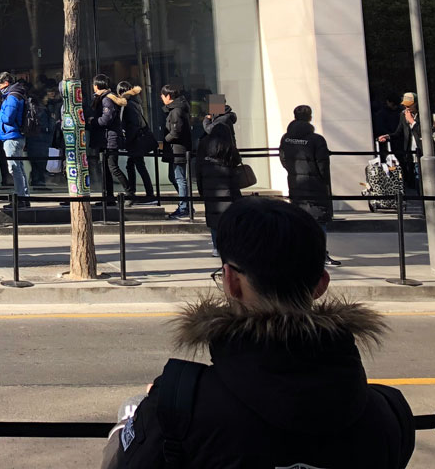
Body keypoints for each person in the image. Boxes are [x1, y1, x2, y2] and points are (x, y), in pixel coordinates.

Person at [99, 196, 415, 469]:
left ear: (231, 281)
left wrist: (129, 421)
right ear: (321, 284)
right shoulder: (389, 413)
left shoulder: (178, 405)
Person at [278, 105, 341, 267]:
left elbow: (283, 158)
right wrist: (323, 181)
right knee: (319, 220)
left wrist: (294, 171)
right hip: (315, 185)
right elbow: (323, 165)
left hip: (295, 182)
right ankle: (320, 254)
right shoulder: (316, 140)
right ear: (310, 117)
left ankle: (301, 253)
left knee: (300, 218)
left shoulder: (286, 138)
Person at [195, 118, 242, 253]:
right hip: (229, 187)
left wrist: (200, 188)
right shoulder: (228, 144)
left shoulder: (204, 143)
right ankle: (230, 244)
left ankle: (216, 246)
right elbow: (237, 161)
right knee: (230, 216)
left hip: (209, 186)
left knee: (213, 216)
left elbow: (198, 167)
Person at [0, 71, 32, 208]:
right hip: (14, 136)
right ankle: (24, 197)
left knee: (14, 169)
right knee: (19, 168)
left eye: (0, 85)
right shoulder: (15, 95)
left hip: (12, 137)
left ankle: (21, 198)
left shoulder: (12, 97)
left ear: (6, 83)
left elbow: (8, 119)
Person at [120, 83, 157, 205]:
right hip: (136, 139)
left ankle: (148, 194)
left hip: (135, 140)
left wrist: (127, 140)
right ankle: (134, 192)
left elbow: (133, 125)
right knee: (132, 165)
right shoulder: (135, 102)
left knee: (139, 166)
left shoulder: (129, 105)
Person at [97, 78, 132, 206]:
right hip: (106, 139)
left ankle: (129, 192)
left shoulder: (107, 99)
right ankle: (109, 197)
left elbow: (107, 119)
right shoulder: (105, 98)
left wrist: (94, 121)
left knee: (113, 168)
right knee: (106, 169)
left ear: (97, 86)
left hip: (110, 139)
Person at [160, 85, 193, 219]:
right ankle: (186, 204)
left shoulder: (176, 111)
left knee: (179, 178)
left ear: (168, 96)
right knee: (174, 177)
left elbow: (176, 132)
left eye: (162, 95)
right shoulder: (176, 109)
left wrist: (165, 140)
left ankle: (184, 207)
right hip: (175, 150)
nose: (161, 98)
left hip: (178, 150)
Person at [381, 92, 419, 191]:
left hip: (421, 150)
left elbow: (424, 132)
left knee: (420, 178)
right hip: (410, 151)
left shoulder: (423, 114)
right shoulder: (403, 115)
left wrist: (412, 121)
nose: (407, 108)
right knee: (415, 179)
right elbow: (399, 132)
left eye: (409, 105)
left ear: (416, 104)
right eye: (405, 105)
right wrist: (388, 136)